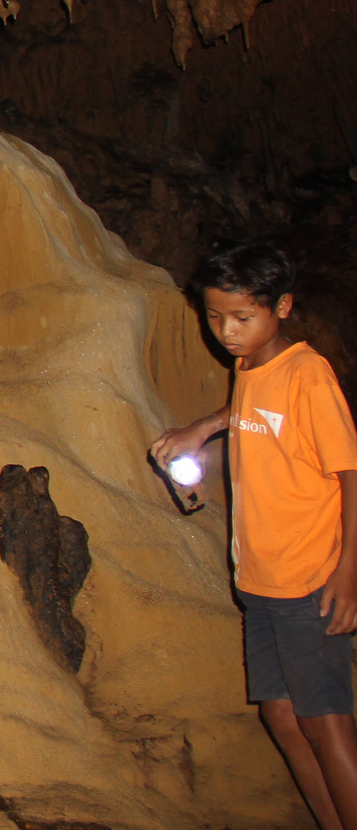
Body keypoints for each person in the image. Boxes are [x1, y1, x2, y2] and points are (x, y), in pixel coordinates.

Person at [152, 242, 357, 829]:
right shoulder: (249, 368)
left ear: (283, 307)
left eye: (243, 318)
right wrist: (203, 427)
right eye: (215, 317)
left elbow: (351, 473)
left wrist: (349, 573)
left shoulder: (308, 374)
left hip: (309, 577)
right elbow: (245, 413)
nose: (227, 332)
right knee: (282, 717)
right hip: (262, 579)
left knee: (325, 719)